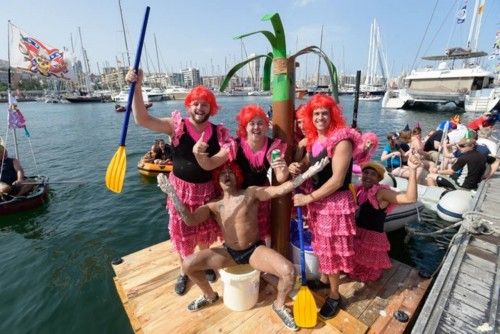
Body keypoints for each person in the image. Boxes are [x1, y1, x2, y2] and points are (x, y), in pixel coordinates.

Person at [157, 157, 329, 332]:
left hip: (254, 251)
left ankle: (279, 305)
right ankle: (209, 296)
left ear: (237, 176)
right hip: (228, 253)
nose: (227, 175)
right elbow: (191, 221)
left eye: (230, 172)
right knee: (188, 265)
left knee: (289, 271)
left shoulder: (250, 193)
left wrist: (309, 173)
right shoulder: (214, 204)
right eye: (222, 173)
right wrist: (173, 195)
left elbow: (280, 190)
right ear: (217, 180)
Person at [126, 68, 234, 296]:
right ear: (189, 105)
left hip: (207, 191)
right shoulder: (176, 126)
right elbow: (141, 119)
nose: (199, 108)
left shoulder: (219, 132)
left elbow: (228, 154)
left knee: (205, 233)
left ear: (211, 108)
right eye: (195, 103)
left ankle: (202, 264)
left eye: (204, 104)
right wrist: (137, 87)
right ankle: (185, 270)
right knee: (181, 233)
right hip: (180, 190)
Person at [292, 94, 362, 320]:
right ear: (310, 117)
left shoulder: (342, 140)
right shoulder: (313, 141)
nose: (320, 117)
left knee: (331, 250)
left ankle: (334, 295)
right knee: (322, 245)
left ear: (333, 115)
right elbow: (308, 166)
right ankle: (323, 280)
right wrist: (296, 165)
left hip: (335, 203)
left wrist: (307, 198)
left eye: (325, 113)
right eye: (316, 114)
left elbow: (337, 180)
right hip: (319, 203)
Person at [193, 104, 288, 246]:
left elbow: (280, 177)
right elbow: (210, 164)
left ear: (266, 125)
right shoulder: (234, 145)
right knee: (237, 231)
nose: (256, 127)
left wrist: (284, 169)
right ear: (245, 127)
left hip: (260, 195)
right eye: (252, 123)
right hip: (236, 196)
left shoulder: (273, 147)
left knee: (262, 230)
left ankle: (261, 258)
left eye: (260, 123)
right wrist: (198, 154)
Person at [350, 156, 419, 282]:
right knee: (353, 269)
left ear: (378, 179)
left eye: (373, 174)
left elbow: (410, 199)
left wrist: (412, 171)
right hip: (357, 236)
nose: (368, 176)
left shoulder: (381, 193)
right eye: (366, 172)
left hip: (372, 239)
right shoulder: (359, 190)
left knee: (368, 274)